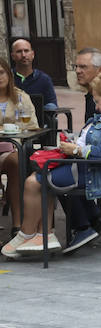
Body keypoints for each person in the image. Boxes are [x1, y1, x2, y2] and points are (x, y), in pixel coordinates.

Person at [1, 70, 101, 258]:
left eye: (98, 101)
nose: (96, 107)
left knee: (36, 181)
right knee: (41, 173)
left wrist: (76, 150)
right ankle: (40, 234)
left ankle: (31, 234)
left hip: (95, 173)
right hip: (91, 168)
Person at [0, 55, 39, 221]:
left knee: (16, 162)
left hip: (11, 149)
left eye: (1, 72)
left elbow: (32, 126)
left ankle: (17, 224)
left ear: (8, 74)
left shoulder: (21, 97)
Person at [9, 37, 56, 117]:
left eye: (26, 51)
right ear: (13, 56)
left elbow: (52, 105)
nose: (23, 55)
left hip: (38, 125)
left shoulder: (44, 79)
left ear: (32, 54)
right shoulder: (6, 78)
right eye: (19, 51)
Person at [74, 48, 101, 125]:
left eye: (83, 67)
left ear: (100, 70)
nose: (77, 71)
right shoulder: (92, 95)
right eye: (76, 66)